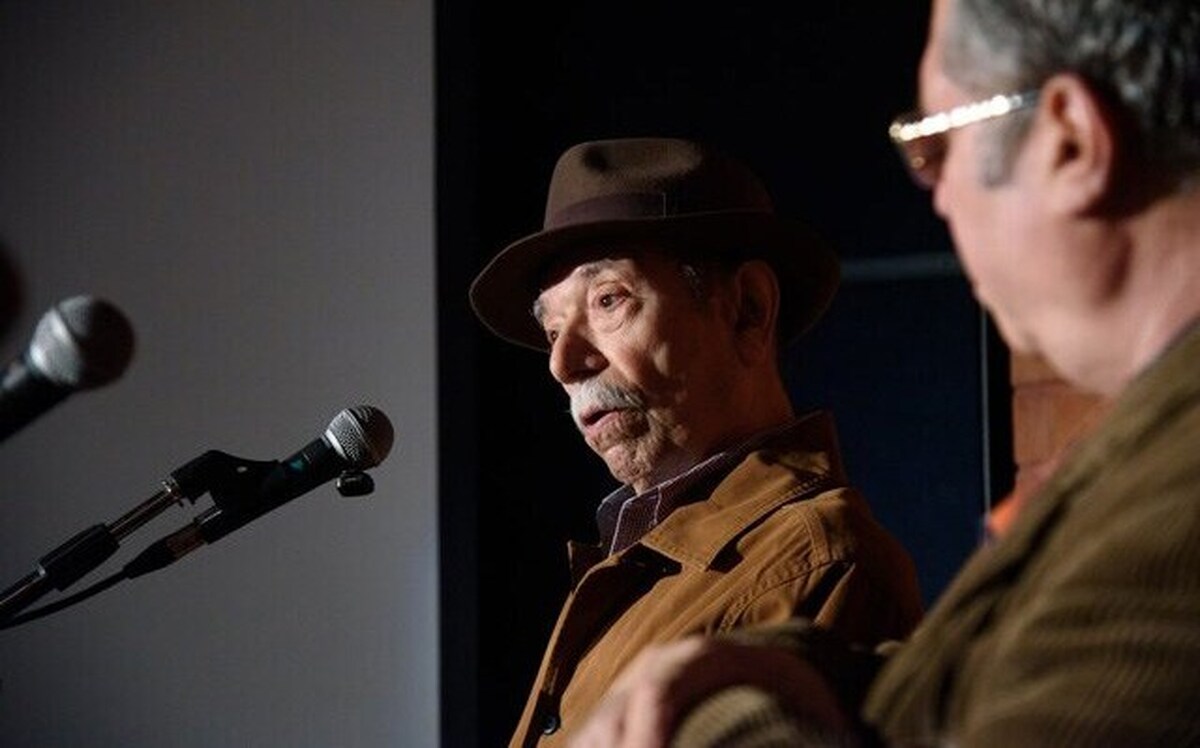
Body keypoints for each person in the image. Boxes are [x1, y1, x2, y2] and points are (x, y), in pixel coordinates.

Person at [565, 1, 1200, 746]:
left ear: (1071, 140)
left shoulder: (1177, 483)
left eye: (938, 143)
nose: (936, 193)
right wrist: (812, 671)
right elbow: (997, 682)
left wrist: (710, 717)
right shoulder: (1145, 441)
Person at [468, 137, 924, 747]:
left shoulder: (823, 561)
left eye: (608, 301)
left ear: (747, 311)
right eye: (552, 329)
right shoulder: (635, 564)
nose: (562, 362)